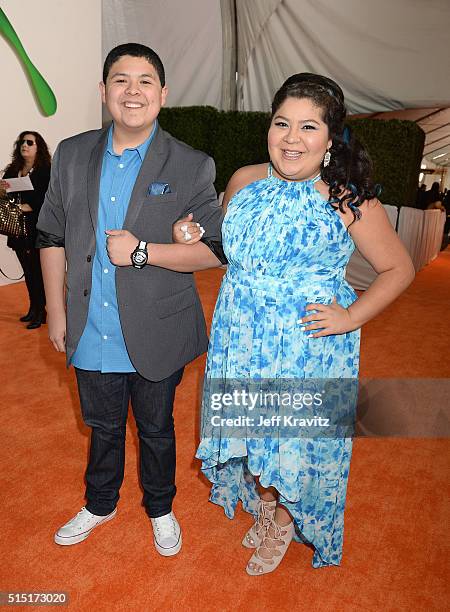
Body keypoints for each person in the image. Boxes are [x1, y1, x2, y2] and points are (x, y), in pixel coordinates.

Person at [173, 73, 415, 574]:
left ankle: (283, 519)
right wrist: (186, 232)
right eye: (282, 123)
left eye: (308, 127)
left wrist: (350, 316)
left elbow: (399, 269)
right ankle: (266, 505)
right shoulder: (243, 181)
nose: (291, 138)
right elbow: (224, 248)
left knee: (293, 439)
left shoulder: (347, 198)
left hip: (307, 345)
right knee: (254, 429)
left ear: (330, 138)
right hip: (241, 336)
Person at [36, 43, 222, 556]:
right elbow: (49, 234)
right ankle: (100, 503)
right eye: (121, 80)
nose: (132, 90)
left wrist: (146, 251)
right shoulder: (72, 154)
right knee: (102, 426)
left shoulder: (191, 164)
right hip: (90, 324)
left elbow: (214, 250)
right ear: (104, 92)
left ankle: (160, 507)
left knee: (157, 429)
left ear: (163, 94)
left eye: (145, 81)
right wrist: (56, 310)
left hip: (155, 327)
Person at [0, 132, 50, 328]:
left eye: (30, 142)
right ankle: (33, 308)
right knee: (28, 272)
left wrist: (29, 206)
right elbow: (5, 198)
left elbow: (49, 200)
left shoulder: (46, 171)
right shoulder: (13, 169)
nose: (25, 145)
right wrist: (3, 191)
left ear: (39, 147)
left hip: (36, 228)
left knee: (37, 272)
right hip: (17, 229)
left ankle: (42, 311)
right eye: (22, 142)